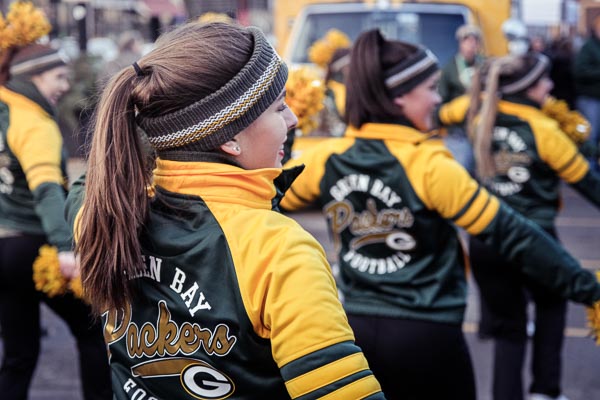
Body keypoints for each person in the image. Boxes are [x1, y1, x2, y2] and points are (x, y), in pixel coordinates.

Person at [66, 22, 386, 400]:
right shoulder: (280, 251)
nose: (294, 120)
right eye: (279, 108)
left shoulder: (104, 216)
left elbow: (84, 187)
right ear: (230, 139)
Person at [280, 29, 600, 399]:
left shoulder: (326, 158)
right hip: (427, 335)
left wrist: (288, 135)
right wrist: (588, 289)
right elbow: (512, 233)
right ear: (400, 96)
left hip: (356, 332)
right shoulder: (430, 164)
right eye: (431, 87)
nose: (437, 98)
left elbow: (272, 197)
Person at [459, 53, 600, 400]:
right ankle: (546, 391)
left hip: (486, 239)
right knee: (552, 307)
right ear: (528, 88)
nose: (550, 86)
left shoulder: (482, 121)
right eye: (543, 81)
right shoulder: (543, 129)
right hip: (536, 240)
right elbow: (589, 184)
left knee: (509, 331)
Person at [0, 43, 112, 399]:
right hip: (36, 248)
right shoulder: (33, 122)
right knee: (92, 332)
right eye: (58, 77)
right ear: (34, 77)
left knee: (19, 355)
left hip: (4, 250)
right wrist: (67, 247)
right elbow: (47, 191)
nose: (64, 86)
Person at [437, 24, 483, 175]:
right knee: (461, 172)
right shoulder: (450, 68)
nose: (471, 45)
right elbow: (440, 101)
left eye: (474, 41)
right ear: (460, 43)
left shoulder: (484, 65)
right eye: (467, 41)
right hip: (458, 133)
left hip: (482, 129)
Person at [574, 15, 600, 171]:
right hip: (591, 99)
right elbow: (579, 71)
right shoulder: (588, 47)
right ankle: (587, 170)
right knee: (590, 135)